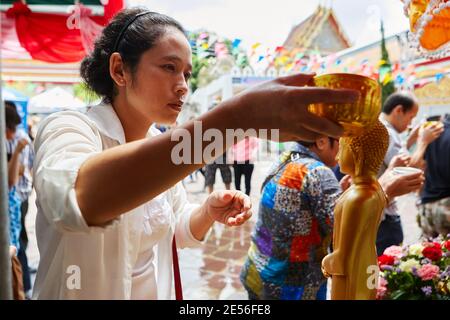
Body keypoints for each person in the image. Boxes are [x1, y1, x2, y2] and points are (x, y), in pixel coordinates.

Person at [32, 9, 359, 299]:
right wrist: (235, 120)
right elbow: (82, 197)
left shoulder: (158, 142)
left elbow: (172, 229)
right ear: (120, 70)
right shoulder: (68, 128)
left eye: (186, 73)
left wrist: (206, 212)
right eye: (169, 67)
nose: (183, 85)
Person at [240, 136, 341, 300]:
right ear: (322, 141)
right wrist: (385, 193)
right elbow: (344, 228)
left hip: (258, 271)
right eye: (340, 141)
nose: (342, 149)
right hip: (292, 286)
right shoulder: (318, 172)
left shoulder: (285, 159)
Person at [322, 120, 389, 300]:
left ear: (356, 153)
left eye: (342, 149)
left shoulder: (358, 197)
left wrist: (326, 262)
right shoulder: (375, 189)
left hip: (352, 271)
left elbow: (342, 255)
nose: (337, 157)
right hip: (369, 263)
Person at [376, 92, 443, 255]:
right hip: (383, 216)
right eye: (411, 117)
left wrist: (411, 140)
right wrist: (422, 142)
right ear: (399, 110)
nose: (410, 123)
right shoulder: (386, 132)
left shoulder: (382, 129)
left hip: (381, 212)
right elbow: (406, 173)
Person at [4, 101, 35, 298]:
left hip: (16, 200)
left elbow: (14, 178)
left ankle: (21, 287)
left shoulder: (20, 139)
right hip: (11, 199)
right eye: (9, 129)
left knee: (18, 245)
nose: (12, 133)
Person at [417, 114, 450, 238]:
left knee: (429, 253)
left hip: (427, 207)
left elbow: (421, 166)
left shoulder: (432, 132)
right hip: (447, 207)